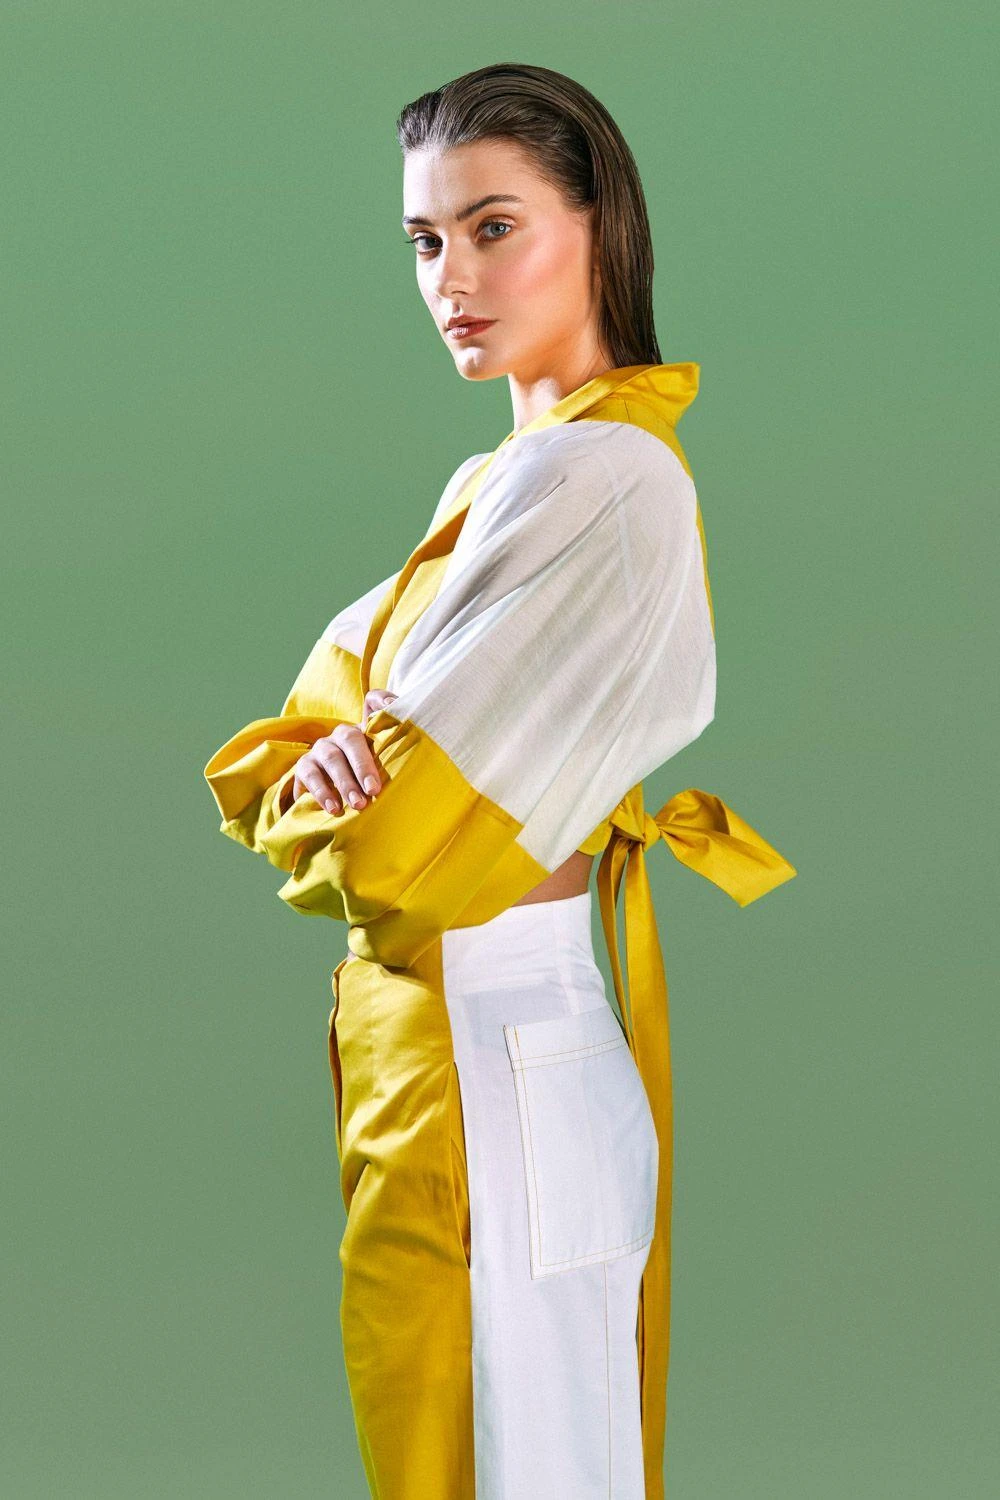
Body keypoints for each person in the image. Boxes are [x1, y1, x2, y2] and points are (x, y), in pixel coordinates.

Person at [203, 63, 797, 1500]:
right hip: (451, 1059)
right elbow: (283, 754)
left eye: (493, 227)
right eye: (425, 240)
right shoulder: (497, 483)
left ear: (600, 226)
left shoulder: (599, 481)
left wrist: (335, 776)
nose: (450, 279)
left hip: (501, 1055)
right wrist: (325, 769)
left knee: (523, 1469)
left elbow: (385, 852)